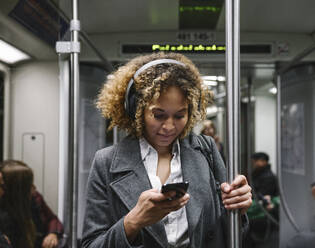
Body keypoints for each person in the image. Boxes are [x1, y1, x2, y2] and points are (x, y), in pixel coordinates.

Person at [82, 52, 252, 248]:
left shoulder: (206, 150)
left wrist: (238, 209)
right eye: (158, 115)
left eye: (180, 115)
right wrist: (132, 222)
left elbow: (229, 233)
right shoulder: (106, 162)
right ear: (136, 110)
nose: (169, 127)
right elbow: (90, 244)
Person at [0, 160, 64, 248]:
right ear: (17, 190)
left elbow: (52, 219)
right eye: (29, 184)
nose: (34, 188)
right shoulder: (4, 217)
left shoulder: (35, 197)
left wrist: (53, 233)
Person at [245, 152, 279, 248]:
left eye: (256, 161)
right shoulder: (257, 174)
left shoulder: (268, 177)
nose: (254, 164)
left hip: (264, 215)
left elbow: (262, 197)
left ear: (263, 162)